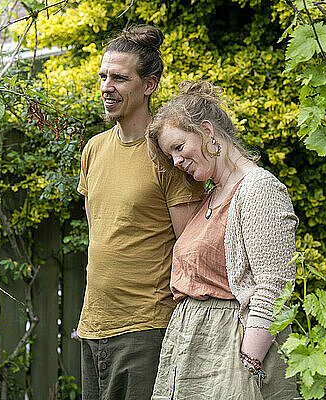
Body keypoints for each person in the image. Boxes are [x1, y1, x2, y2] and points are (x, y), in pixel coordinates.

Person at [146, 80, 299, 399]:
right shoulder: (213, 196)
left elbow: (274, 286)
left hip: (230, 352)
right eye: (170, 154)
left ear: (206, 130)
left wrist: (248, 363)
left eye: (178, 147)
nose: (176, 161)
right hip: (194, 351)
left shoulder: (259, 189)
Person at [76, 26, 204, 399]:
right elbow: (99, 236)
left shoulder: (168, 155)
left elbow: (191, 250)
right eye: (103, 76)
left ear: (149, 85)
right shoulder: (94, 149)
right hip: (93, 325)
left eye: (119, 77)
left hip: (146, 329)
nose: (106, 86)